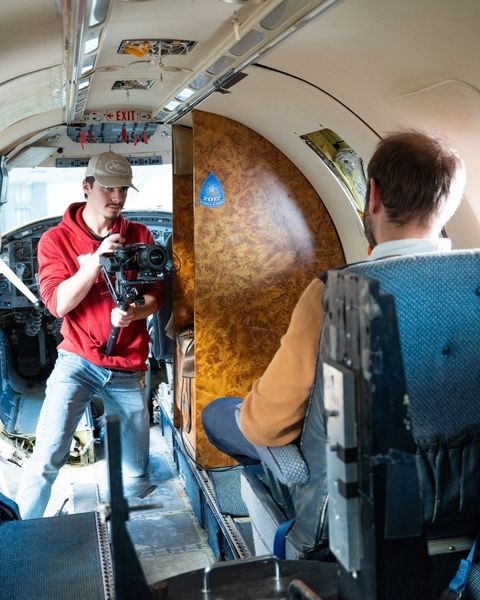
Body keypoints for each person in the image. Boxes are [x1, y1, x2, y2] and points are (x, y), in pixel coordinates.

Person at [202, 130, 466, 464]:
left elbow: (267, 426)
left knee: (218, 413)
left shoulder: (336, 292)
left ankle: (290, 508)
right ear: (450, 204)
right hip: (463, 483)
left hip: (359, 494)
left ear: (373, 196)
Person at [17, 151, 164, 518]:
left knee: (135, 473)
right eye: (109, 189)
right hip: (78, 361)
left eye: (123, 191)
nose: (117, 198)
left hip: (128, 366)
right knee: (48, 456)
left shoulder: (139, 235)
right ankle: (15, 535)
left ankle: (136, 541)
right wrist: (97, 261)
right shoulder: (55, 240)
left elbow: (156, 297)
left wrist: (134, 312)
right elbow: (57, 304)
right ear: (87, 186)